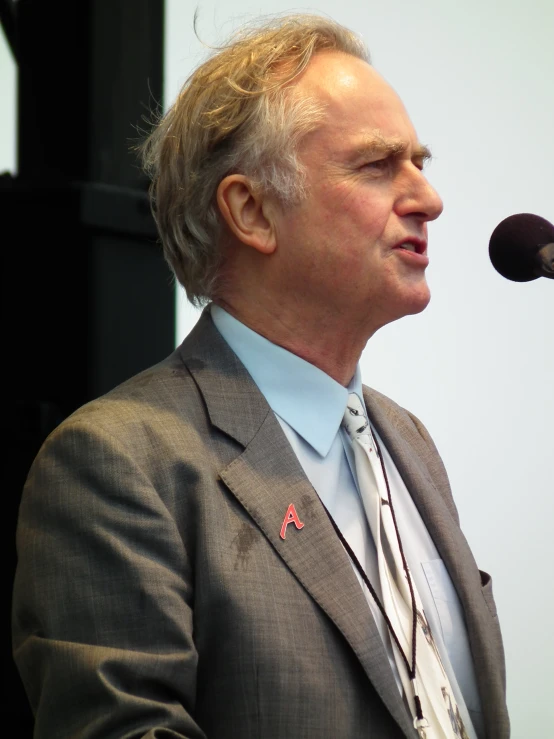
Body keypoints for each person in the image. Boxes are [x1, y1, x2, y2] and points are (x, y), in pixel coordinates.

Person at [12, 14, 509, 739]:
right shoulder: (120, 463)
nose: (428, 199)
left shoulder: (411, 442)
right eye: (378, 165)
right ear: (252, 210)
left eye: (420, 164)